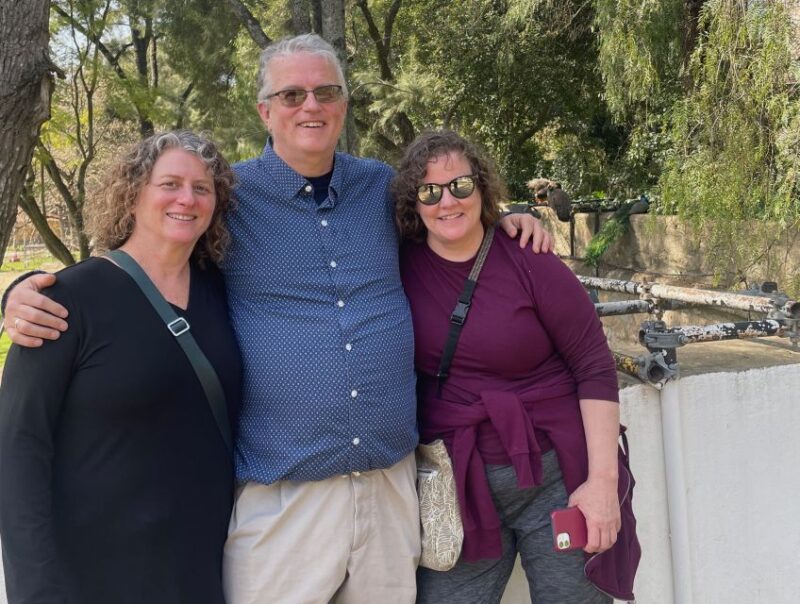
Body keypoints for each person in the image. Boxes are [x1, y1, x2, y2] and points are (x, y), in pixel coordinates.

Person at [2, 35, 553, 603]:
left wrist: (512, 217)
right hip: (284, 499)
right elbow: (143, 263)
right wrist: (24, 291)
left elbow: (453, 209)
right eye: (291, 94)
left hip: (390, 487)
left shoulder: (384, 189)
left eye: (326, 92)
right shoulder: (227, 197)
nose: (310, 106)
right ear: (264, 110)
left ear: (343, 105)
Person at [394, 130, 640, 603]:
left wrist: (603, 484)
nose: (447, 201)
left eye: (461, 186)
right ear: (414, 201)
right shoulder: (399, 264)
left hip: (554, 473)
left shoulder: (530, 258)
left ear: (483, 188)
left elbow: (593, 365)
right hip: (457, 481)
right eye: (430, 191)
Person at [0, 130, 242, 603]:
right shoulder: (65, 300)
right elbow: (18, 451)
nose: (186, 199)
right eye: (169, 183)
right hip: (95, 574)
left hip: (199, 568)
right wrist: (37, 590)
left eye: (202, 188)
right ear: (133, 194)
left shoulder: (221, 291)